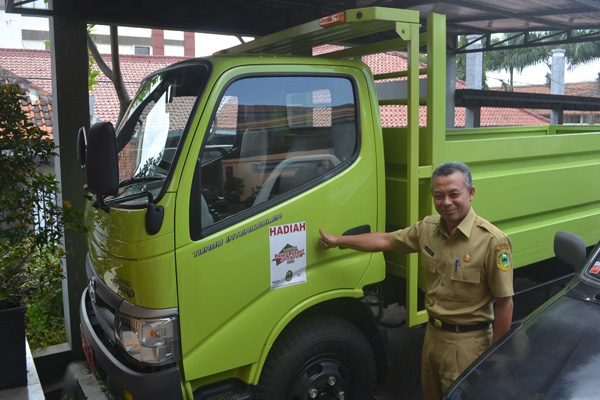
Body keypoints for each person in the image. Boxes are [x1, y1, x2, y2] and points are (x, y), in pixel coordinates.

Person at [319, 161, 513, 400]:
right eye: (439, 195)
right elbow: (384, 241)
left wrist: (496, 356)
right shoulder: (427, 229)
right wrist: (339, 241)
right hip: (432, 338)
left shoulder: (493, 241)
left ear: (470, 193)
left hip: (468, 345)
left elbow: (505, 302)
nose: (446, 202)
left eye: (454, 194)